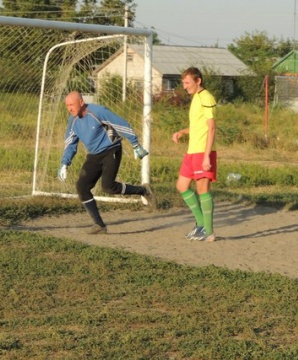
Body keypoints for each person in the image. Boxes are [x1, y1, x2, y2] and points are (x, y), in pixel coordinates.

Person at [58, 91, 156, 234]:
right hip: (94, 155)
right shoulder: (73, 122)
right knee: (82, 186)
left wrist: (135, 144)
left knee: (108, 187)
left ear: (81, 102)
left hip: (112, 150)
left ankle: (143, 190)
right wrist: (65, 163)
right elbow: (70, 143)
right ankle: (99, 225)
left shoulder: (98, 112)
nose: (70, 108)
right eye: (67, 105)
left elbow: (122, 124)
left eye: (72, 104)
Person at [172, 67, 217, 242]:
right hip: (191, 152)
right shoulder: (196, 98)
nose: (185, 86)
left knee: (202, 189)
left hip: (202, 152)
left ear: (198, 81)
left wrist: (206, 157)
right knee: (182, 186)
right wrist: (182, 132)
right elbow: (199, 127)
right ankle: (200, 225)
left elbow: (211, 127)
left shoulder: (206, 97)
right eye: (183, 82)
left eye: (187, 82)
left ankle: (209, 232)